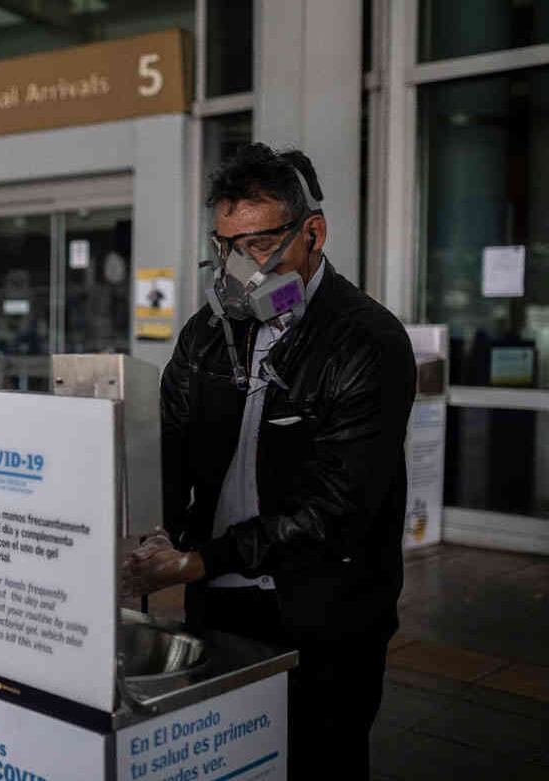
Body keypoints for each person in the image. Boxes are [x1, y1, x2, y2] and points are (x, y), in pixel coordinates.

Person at [122, 143, 415, 778]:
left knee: (319, 760)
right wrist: (155, 532)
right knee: (231, 761)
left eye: (258, 245)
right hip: (220, 598)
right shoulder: (206, 334)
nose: (239, 268)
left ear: (313, 234)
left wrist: (197, 561)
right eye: (226, 246)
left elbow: (336, 508)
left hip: (324, 611)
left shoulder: (368, 341)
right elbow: (167, 446)